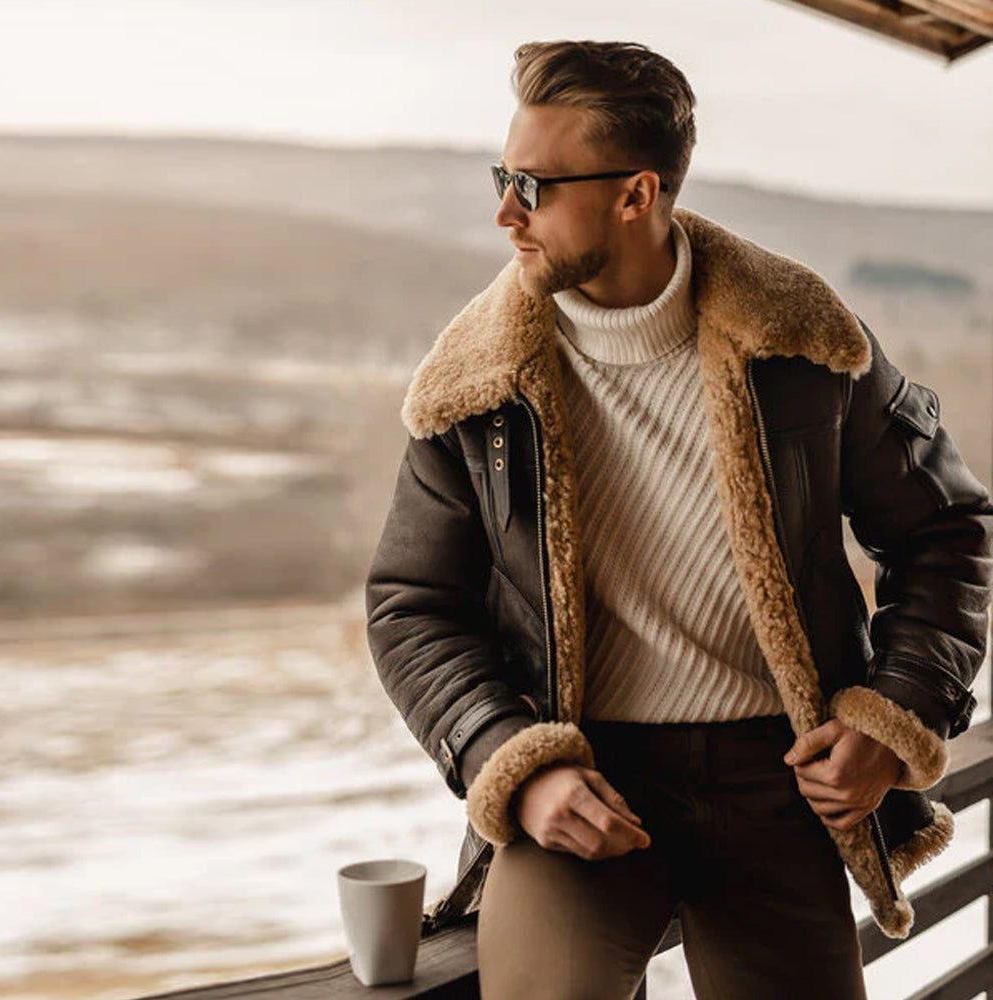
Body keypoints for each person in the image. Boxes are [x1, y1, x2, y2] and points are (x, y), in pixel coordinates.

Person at [364, 39, 993, 999]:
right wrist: (513, 764)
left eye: (532, 187)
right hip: (586, 774)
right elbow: (411, 605)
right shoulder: (475, 386)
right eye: (502, 178)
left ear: (636, 194)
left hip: (781, 779)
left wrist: (892, 712)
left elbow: (946, 531)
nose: (505, 214)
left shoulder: (804, 340)